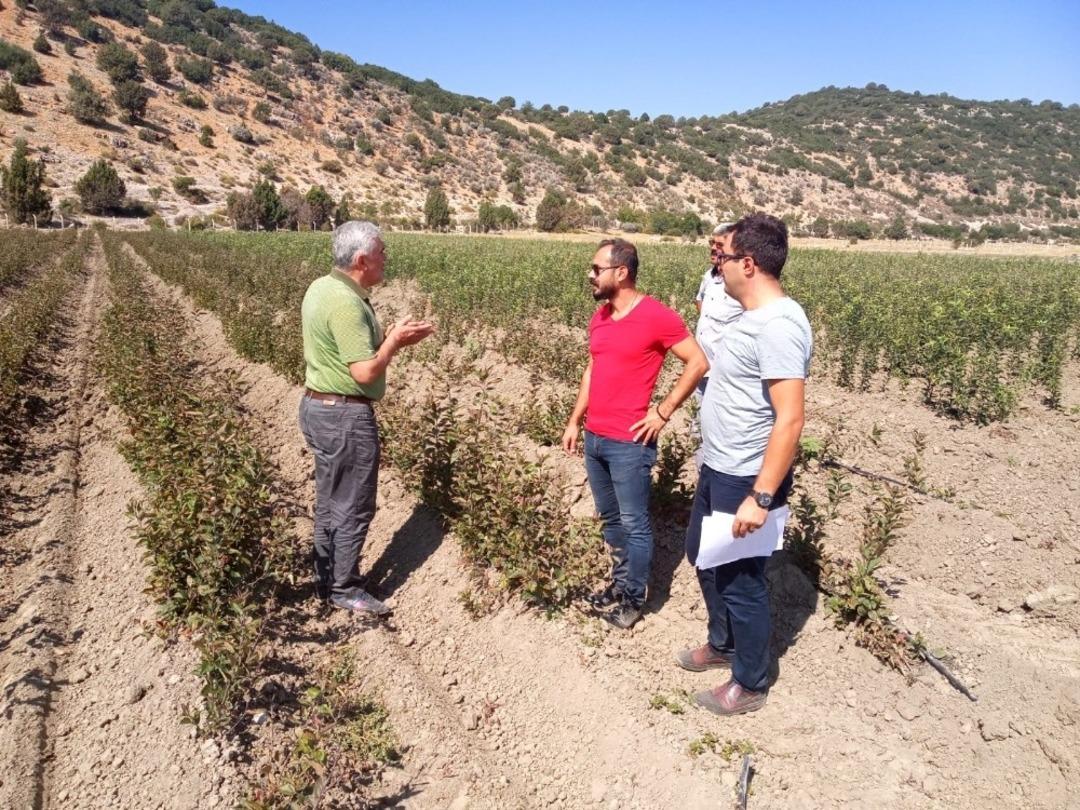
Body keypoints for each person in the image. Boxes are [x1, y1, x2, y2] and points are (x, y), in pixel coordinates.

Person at [677, 212, 813, 715]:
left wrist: (761, 496)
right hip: (719, 463)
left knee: (742, 580)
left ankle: (751, 680)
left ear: (749, 264)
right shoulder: (750, 317)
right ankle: (724, 641)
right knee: (702, 555)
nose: (719, 267)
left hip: (746, 477)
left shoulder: (779, 325)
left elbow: (791, 420)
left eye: (725, 258)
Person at [562, 238, 708, 630]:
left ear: (621, 272)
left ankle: (634, 597)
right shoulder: (601, 317)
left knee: (635, 522)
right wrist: (576, 420)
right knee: (611, 519)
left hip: (630, 443)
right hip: (595, 437)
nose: (589, 275)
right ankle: (619, 582)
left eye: (596, 269)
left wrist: (662, 411)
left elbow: (698, 362)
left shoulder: (657, 317)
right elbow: (592, 371)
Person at [299, 220, 434, 614]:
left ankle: (327, 577)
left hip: (319, 408)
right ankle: (344, 588)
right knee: (355, 504)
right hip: (344, 416)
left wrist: (389, 336)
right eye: (381, 252)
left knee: (329, 500)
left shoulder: (324, 287)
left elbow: (347, 350)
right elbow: (363, 373)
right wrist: (392, 343)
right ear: (361, 259)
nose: (385, 258)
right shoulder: (345, 302)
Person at [694, 223, 744, 395]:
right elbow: (699, 299)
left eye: (720, 245)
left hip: (725, 372)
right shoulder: (709, 275)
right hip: (701, 365)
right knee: (697, 418)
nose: (714, 249)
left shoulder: (741, 283)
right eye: (711, 243)